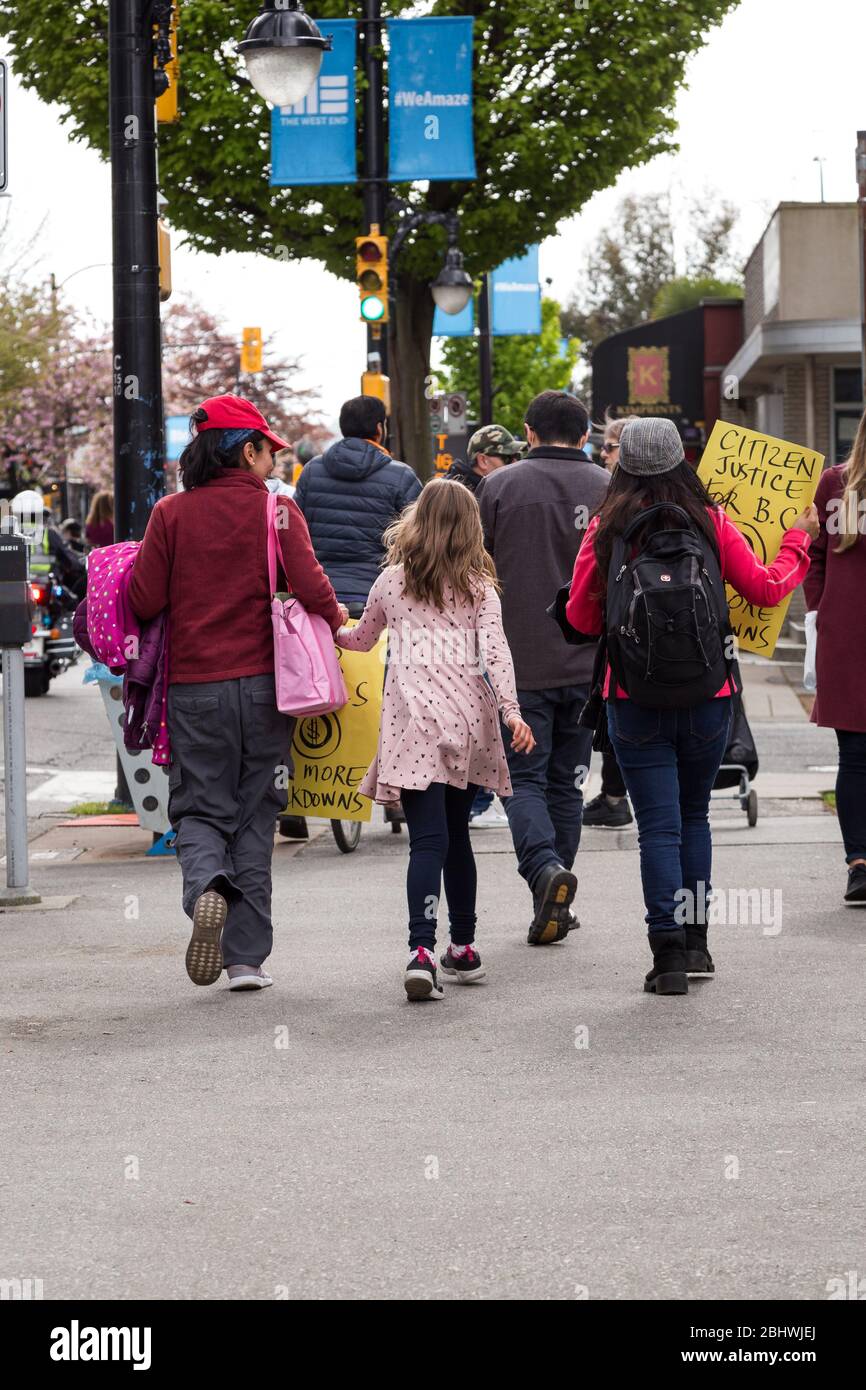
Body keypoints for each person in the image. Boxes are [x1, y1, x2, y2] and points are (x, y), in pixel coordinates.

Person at [567, 417, 818, 995]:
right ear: (683, 459)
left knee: (658, 828)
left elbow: (581, 620)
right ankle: (699, 943)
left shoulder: (607, 527)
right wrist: (795, 540)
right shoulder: (711, 521)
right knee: (694, 818)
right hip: (710, 696)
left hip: (632, 698)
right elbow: (766, 588)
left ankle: (669, 957)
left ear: (623, 463)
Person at [128, 394, 346, 993]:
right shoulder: (277, 512)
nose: (273, 462)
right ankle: (246, 961)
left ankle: (206, 890)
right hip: (265, 689)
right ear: (244, 450)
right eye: (268, 451)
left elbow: (143, 600)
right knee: (256, 813)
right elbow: (312, 586)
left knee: (199, 810)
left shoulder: (170, 514)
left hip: (194, 690)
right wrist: (340, 624)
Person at [336, 479, 534, 1001]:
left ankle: (421, 952)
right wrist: (512, 712)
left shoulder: (390, 582)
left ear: (417, 521)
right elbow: (497, 654)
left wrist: (332, 623)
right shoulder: (479, 589)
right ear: (472, 529)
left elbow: (359, 639)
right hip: (470, 723)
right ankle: (463, 948)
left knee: (427, 842)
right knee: (457, 839)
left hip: (416, 726)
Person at [477, 390, 609, 945]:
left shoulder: (499, 487)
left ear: (527, 433)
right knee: (568, 784)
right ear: (584, 436)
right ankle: (553, 895)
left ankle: (544, 873)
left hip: (517, 662)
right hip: (588, 661)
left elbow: (473, 571)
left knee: (523, 780)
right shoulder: (609, 489)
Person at [803, 408, 866, 905]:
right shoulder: (834, 484)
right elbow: (818, 557)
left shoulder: (835, 484)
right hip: (845, 632)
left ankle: (859, 864)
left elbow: (815, 557)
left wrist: (820, 609)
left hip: (844, 634)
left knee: (855, 757)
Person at [448, 424, 525, 826]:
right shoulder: (474, 496)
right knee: (479, 704)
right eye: (508, 458)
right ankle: (472, 796)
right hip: (466, 623)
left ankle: (464, 795)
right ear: (483, 460)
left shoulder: (458, 488)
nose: (515, 464)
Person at [294, 396, 422, 608]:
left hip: (322, 595)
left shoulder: (311, 472)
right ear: (379, 428)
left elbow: (294, 533)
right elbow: (421, 539)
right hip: (381, 597)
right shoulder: (401, 476)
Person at [582, 413, 636, 830]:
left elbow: (581, 608)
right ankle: (615, 795)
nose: (602, 453)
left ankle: (616, 796)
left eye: (610, 446)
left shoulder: (609, 509)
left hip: (623, 645)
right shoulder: (703, 512)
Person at [445, 424, 525, 494]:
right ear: (482, 460)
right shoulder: (454, 495)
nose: (515, 462)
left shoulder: (487, 491)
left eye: (517, 456)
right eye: (508, 458)